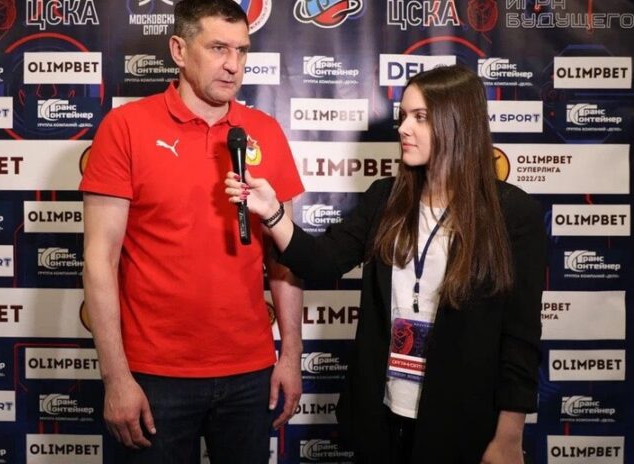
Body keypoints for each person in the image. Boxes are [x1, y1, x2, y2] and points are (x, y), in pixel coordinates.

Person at [225, 65, 546, 463]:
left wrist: (509, 436)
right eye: (403, 116)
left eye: (420, 117)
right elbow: (322, 262)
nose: (403, 129)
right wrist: (273, 213)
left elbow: (520, 337)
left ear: (458, 122)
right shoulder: (385, 198)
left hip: (461, 425)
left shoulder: (513, 214)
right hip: (381, 419)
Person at [80, 1, 304, 462]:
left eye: (242, 50)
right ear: (179, 50)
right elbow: (99, 261)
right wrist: (115, 377)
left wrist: (291, 357)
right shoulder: (125, 128)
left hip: (251, 373)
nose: (233, 64)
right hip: (153, 375)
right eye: (218, 48)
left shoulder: (265, 131)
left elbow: (285, 258)